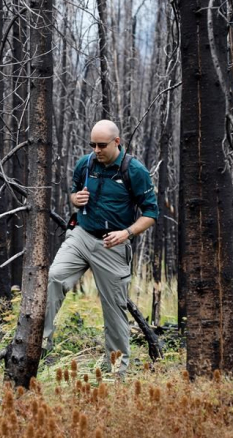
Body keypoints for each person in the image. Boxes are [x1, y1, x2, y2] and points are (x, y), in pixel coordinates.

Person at [43, 120, 159, 376]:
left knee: (114, 309)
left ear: (117, 142)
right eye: (92, 144)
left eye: (102, 145)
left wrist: (126, 233)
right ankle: (39, 352)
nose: (96, 149)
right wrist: (75, 199)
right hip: (81, 235)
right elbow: (73, 193)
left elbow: (151, 212)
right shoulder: (85, 164)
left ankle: (117, 373)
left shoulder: (134, 170)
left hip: (112, 245)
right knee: (53, 278)